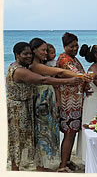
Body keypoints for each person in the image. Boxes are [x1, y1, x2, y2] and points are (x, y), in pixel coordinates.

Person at [6, 42, 81, 171]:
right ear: (17, 55)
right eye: (25, 54)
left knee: (27, 139)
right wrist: (68, 81)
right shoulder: (19, 70)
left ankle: (33, 168)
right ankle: (15, 170)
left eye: (30, 53)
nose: (28, 56)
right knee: (18, 141)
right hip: (17, 110)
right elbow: (43, 80)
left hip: (26, 106)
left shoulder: (21, 66)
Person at [29, 37, 91, 172]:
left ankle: (63, 162)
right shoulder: (36, 66)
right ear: (34, 51)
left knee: (56, 133)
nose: (46, 53)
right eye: (43, 50)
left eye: (47, 50)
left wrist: (81, 79)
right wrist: (79, 77)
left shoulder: (49, 63)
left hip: (54, 101)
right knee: (48, 134)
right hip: (47, 103)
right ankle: (55, 166)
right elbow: (59, 73)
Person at [56, 32, 93, 172]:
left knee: (72, 132)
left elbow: (81, 78)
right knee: (69, 133)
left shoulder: (74, 58)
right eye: (71, 46)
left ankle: (67, 160)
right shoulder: (64, 59)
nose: (74, 48)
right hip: (68, 102)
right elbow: (76, 73)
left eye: (76, 45)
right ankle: (62, 165)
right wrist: (86, 77)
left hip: (76, 101)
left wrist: (86, 87)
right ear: (64, 46)